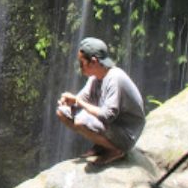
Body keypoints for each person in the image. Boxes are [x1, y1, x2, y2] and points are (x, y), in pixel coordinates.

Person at [56, 37, 146, 166]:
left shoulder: (115, 79)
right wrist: (70, 101)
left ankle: (116, 150)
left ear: (93, 62)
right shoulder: (95, 78)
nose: (80, 67)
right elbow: (82, 99)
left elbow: (106, 115)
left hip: (126, 134)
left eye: (82, 63)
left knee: (80, 121)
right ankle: (103, 145)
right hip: (111, 127)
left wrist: (79, 102)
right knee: (62, 113)